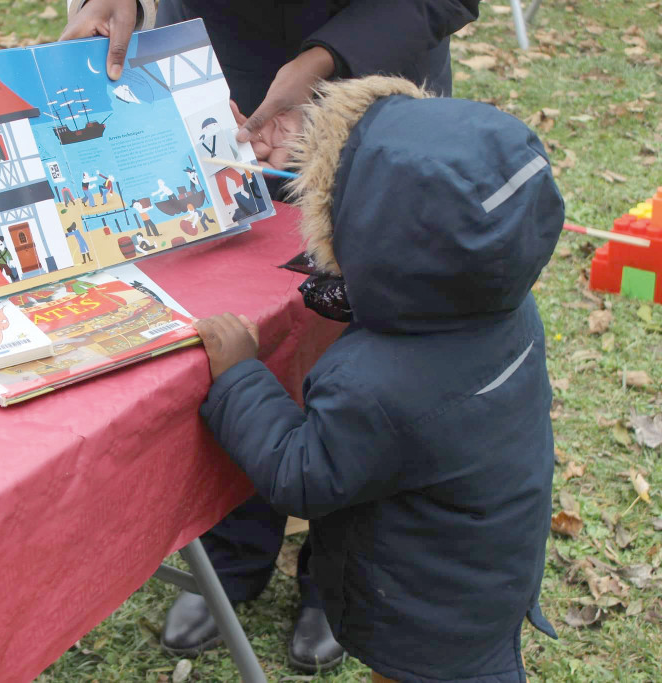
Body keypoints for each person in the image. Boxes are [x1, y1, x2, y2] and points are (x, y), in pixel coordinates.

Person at [61, 0, 480, 672]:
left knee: (360, 327)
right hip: (221, 62)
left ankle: (336, 575)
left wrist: (320, 65)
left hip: (372, 72)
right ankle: (232, 550)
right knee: (231, 312)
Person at [193, 75, 563, 682]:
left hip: (417, 615)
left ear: (377, 231)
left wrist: (239, 376)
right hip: (485, 574)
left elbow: (300, 473)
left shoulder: (376, 385)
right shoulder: (504, 308)